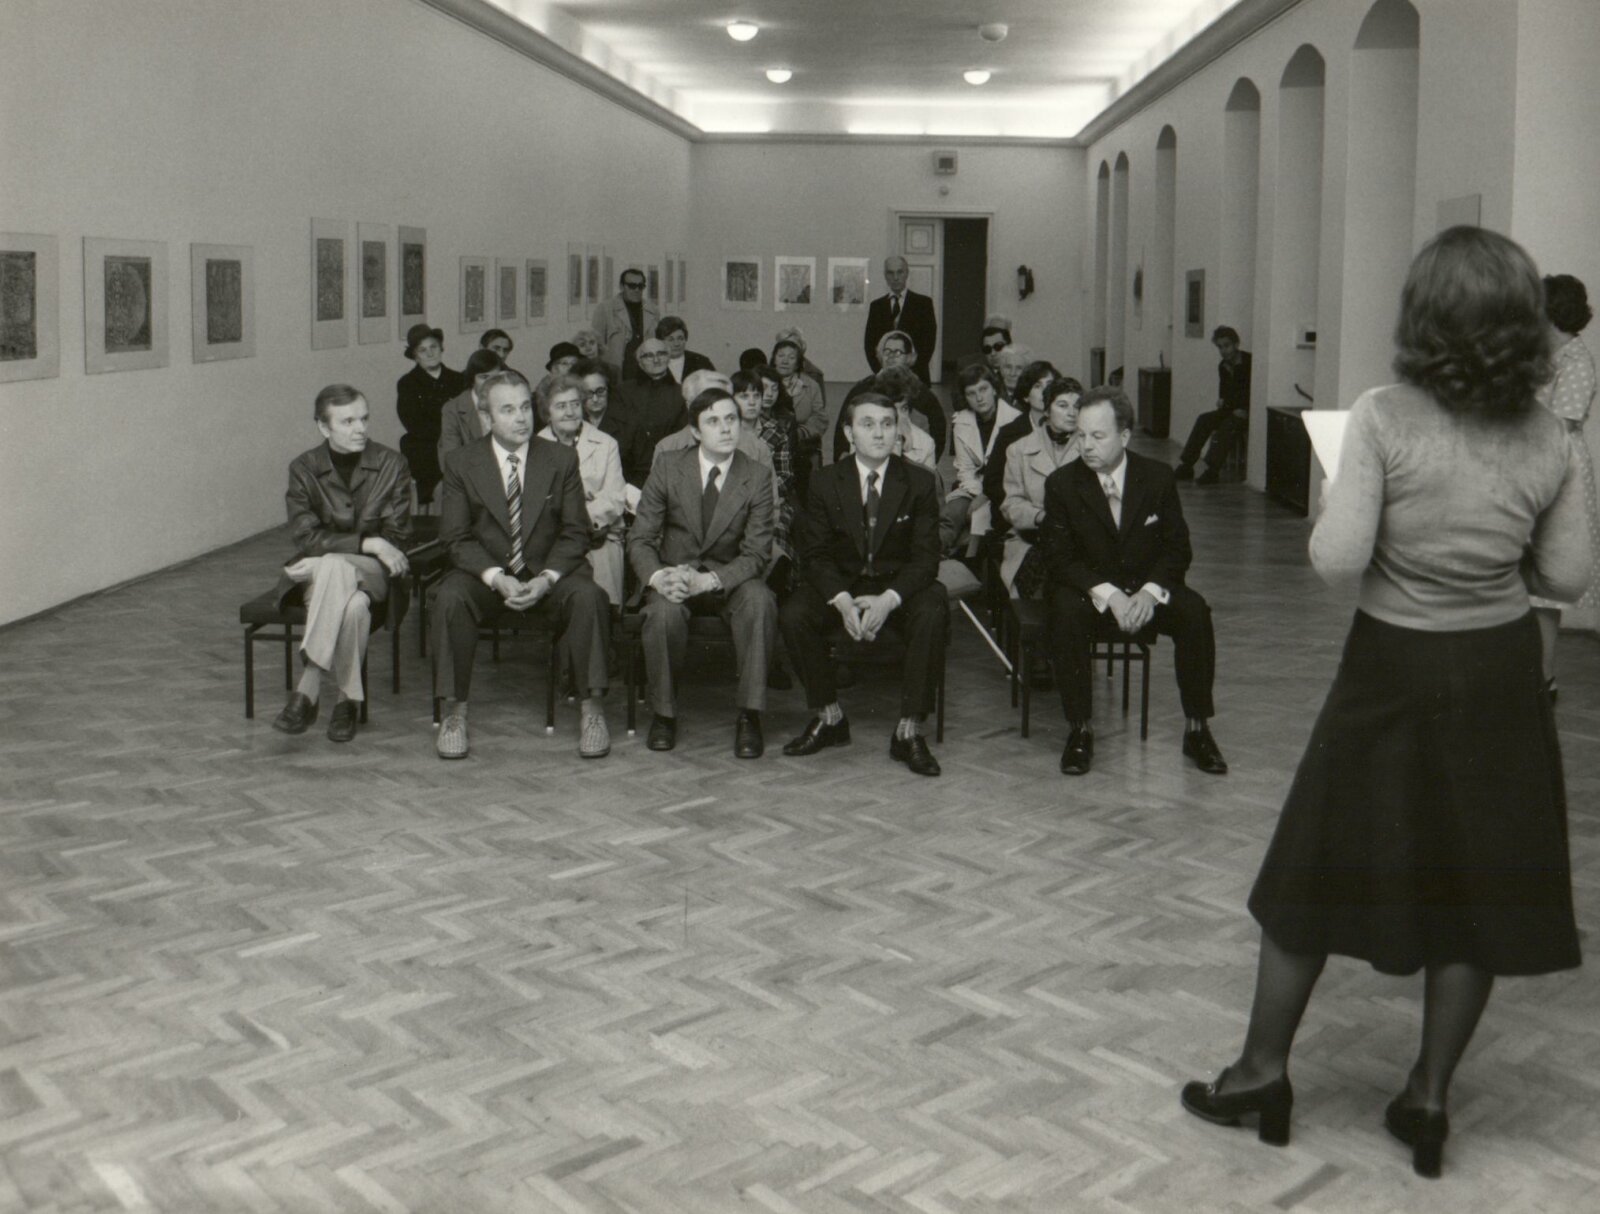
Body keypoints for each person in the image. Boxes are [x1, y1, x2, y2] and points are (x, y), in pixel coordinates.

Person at [1180, 228, 1591, 1180]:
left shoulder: (1382, 415)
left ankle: (1260, 1074)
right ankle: (1428, 1098)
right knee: (1476, 887)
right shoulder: (1549, 435)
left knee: (1312, 872)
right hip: (1498, 674)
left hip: (1392, 668)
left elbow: (1337, 560)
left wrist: (1350, 505)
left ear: (1423, 316)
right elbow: (1569, 574)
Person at [1040, 386, 1226, 777]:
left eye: (1098, 436)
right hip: (1092, 594)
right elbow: (1060, 561)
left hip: (1145, 591)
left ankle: (1197, 729)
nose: (1086, 445)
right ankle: (1080, 729)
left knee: (1194, 611)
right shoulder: (1061, 485)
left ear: (1124, 436)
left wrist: (1149, 593)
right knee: (1064, 612)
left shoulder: (1157, 478)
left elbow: (1178, 549)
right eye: (1080, 435)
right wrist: (1111, 596)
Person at [431, 369, 613, 760]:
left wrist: (547, 578)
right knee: (449, 597)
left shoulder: (560, 458)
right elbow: (455, 538)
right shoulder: (462, 462)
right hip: (488, 576)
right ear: (487, 417)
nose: (521, 419)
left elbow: (576, 532)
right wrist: (496, 577)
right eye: (508, 410)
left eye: (525, 408)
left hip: (548, 573)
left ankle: (592, 711)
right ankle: (454, 713)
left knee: (589, 597)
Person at [780, 394, 949, 777]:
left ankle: (909, 730)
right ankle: (830, 717)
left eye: (887, 424)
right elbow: (816, 555)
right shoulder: (824, 481)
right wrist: (842, 601)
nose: (879, 433)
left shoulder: (919, 482)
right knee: (794, 614)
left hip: (897, 587)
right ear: (848, 433)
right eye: (867, 424)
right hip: (844, 583)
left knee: (933, 607)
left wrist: (887, 600)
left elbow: (926, 559)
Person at [628, 388, 778, 758]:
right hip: (675, 576)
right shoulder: (668, 466)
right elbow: (641, 538)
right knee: (662, 613)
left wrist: (709, 581)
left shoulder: (756, 475)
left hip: (730, 578)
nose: (725, 429)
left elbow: (757, 553)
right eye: (713, 421)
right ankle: (664, 714)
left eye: (731, 419)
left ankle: (750, 715)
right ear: (695, 431)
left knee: (760, 601)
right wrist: (659, 578)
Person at [274, 384, 412, 743]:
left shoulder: (392, 464)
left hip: (377, 574)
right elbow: (305, 536)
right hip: (329, 583)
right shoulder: (304, 468)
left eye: (364, 418)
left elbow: (397, 539)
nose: (360, 429)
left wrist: (359, 551)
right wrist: (369, 542)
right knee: (353, 607)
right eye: (347, 421)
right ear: (324, 427)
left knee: (333, 563)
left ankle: (309, 686)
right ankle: (347, 701)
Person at [1529, 273, 1598, 697]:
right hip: (1530, 465)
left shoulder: (1576, 361)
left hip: (1558, 472)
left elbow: (1560, 424)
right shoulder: (1542, 356)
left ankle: (1543, 679)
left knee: (1545, 586)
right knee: (1523, 581)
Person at [538, 376, 627, 606]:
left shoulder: (606, 443)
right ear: (547, 412)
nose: (570, 412)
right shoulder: (534, 446)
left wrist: (576, 518)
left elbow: (615, 498)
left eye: (575, 404)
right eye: (561, 406)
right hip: (553, 540)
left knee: (602, 603)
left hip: (598, 536)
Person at [998, 380, 1081, 593]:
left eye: (1077, 406)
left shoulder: (1090, 449)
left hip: (1080, 539)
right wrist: (1040, 516)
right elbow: (1011, 504)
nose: (1072, 413)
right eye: (1062, 405)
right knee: (1038, 581)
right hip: (1032, 538)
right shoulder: (1018, 449)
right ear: (1046, 409)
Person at [835, 331, 948, 461]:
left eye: (898, 352)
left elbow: (938, 432)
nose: (891, 356)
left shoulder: (921, 392)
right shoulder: (862, 389)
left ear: (909, 357)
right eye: (887, 351)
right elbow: (842, 429)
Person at [944, 365, 1022, 554]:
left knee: (980, 520)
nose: (979, 398)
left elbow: (1012, 472)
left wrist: (985, 496)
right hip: (972, 487)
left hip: (1004, 490)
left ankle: (967, 559)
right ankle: (934, 558)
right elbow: (965, 469)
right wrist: (977, 495)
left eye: (983, 389)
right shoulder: (961, 421)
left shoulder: (1015, 420)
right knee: (950, 515)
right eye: (971, 393)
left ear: (994, 389)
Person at [984, 363, 1072, 525]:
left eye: (1050, 384)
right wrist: (1029, 509)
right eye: (1037, 386)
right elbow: (991, 483)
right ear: (1026, 396)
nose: (1045, 391)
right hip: (1019, 518)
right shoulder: (1009, 433)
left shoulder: (1070, 429)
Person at [396, 323, 470, 507]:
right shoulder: (408, 384)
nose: (430, 354)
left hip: (459, 443)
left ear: (441, 348)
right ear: (415, 356)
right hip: (428, 446)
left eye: (433, 347)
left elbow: (468, 415)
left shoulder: (458, 379)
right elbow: (413, 423)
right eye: (422, 350)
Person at [1175, 325, 1253, 483]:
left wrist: (1242, 408)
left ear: (1236, 344)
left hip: (1245, 411)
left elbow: (1249, 393)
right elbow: (1225, 394)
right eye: (1220, 347)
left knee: (1227, 426)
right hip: (1231, 408)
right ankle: (1187, 464)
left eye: (1227, 346)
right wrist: (1225, 402)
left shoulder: (1249, 362)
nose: (1223, 351)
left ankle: (1212, 470)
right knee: (1204, 419)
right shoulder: (1223, 366)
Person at [574, 357, 649, 495]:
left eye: (600, 391)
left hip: (622, 497)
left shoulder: (630, 422)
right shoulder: (572, 423)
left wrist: (625, 498)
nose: (595, 399)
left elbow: (644, 470)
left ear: (609, 389)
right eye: (588, 393)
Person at [864, 256, 938, 386]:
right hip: (884, 378)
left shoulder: (923, 304)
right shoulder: (876, 306)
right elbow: (869, 344)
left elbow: (928, 343)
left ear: (907, 273)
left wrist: (908, 374)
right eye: (890, 273)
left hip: (916, 377)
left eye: (900, 272)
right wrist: (882, 372)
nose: (895, 277)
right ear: (885, 276)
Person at [616, 337, 689, 460]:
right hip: (631, 463)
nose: (656, 360)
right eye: (648, 356)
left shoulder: (682, 392)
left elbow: (683, 436)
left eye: (661, 354)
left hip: (669, 460)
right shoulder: (623, 391)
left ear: (668, 358)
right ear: (640, 362)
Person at [437, 348, 503, 468]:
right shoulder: (453, 409)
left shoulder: (509, 402)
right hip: (470, 474)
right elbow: (452, 459)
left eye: (495, 378)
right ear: (472, 379)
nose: (490, 383)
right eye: (484, 377)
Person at [592, 267, 658, 381]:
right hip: (617, 376)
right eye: (632, 286)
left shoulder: (653, 310)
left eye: (640, 286)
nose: (637, 290)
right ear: (622, 286)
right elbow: (596, 347)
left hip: (645, 375)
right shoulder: (605, 309)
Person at [771, 337, 827, 458]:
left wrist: (801, 433)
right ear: (774, 359)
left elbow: (820, 417)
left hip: (802, 446)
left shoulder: (811, 385)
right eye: (781, 356)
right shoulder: (764, 382)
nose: (785, 361)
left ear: (797, 364)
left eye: (791, 358)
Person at [656, 316, 714, 384]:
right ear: (660, 341)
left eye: (680, 338)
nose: (676, 343)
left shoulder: (702, 362)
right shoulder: (653, 364)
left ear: (685, 339)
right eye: (671, 339)